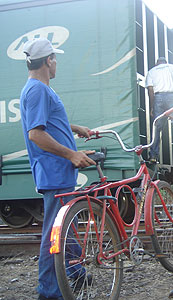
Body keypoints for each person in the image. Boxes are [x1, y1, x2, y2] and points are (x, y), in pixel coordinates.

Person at [20, 38, 96, 300]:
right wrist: (71, 153)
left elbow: (50, 121)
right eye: (55, 58)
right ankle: (49, 292)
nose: (56, 63)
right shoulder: (37, 90)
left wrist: (75, 129)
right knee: (54, 233)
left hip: (59, 170)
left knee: (67, 226)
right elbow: (36, 135)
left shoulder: (40, 89)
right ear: (48, 60)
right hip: (54, 171)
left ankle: (74, 273)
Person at [145, 57, 173, 162]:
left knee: (157, 127)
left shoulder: (151, 71)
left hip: (158, 98)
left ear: (157, 63)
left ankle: (153, 155)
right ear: (166, 62)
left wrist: (152, 106)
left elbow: (150, 90)